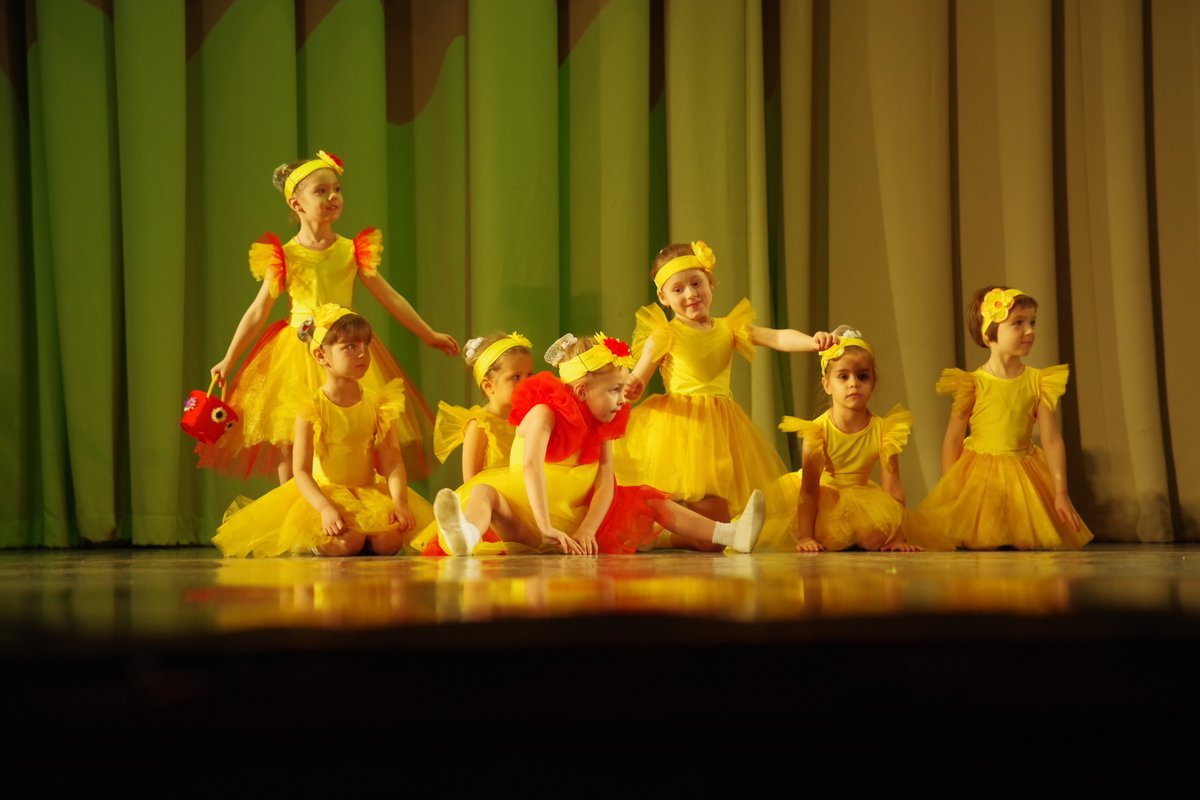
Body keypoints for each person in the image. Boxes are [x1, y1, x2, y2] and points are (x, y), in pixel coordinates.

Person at [199, 149, 458, 482]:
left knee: (357, 427)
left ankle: (356, 495)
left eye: (337, 189)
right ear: (297, 203)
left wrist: (428, 334)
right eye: (321, 191)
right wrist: (229, 358)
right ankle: (296, 504)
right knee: (291, 438)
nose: (333, 196)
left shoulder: (351, 251)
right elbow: (257, 311)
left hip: (345, 348)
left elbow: (390, 297)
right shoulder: (285, 256)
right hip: (298, 353)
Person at [427, 332, 765, 557]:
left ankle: (731, 534)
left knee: (650, 499)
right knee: (483, 491)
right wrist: (544, 525)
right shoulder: (544, 412)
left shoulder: (603, 421)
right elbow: (529, 466)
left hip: (577, 520)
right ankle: (466, 536)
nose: (622, 399)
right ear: (582, 391)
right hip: (530, 517)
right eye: (614, 390)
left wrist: (588, 529)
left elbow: (606, 483)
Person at [615, 239, 835, 546]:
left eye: (696, 283)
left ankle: (662, 536)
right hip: (680, 429)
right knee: (699, 524)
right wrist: (633, 386)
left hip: (719, 427)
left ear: (710, 282)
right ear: (663, 297)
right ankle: (655, 535)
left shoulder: (729, 328)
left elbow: (776, 338)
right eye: (678, 289)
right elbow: (638, 377)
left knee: (714, 537)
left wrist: (813, 342)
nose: (690, 294)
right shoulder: (665, 334)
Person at [213, 306, 433, 557]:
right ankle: (313, 538)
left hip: (368, 492)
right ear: (321, 356)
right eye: (350, 347)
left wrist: (399, 503)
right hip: (324, 494)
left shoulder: (378, 405)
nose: (363, 353)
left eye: (366, 345)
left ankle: (364, 535)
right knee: (348, 543)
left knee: (389, 543)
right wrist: (325, 508)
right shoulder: (312, 408)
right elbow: (301, 471)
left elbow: (392, 461)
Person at [914, 286, 1093, 550]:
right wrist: (950, 491)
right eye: (1018, 323)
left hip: (1023, 470)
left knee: (1025, 540)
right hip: (981, 474)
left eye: (1032, 322)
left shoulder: (1038, 381)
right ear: (990, 332)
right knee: (985, 537)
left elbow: (1052, 439)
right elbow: (953, 439)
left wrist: (1060, 492)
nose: (1029, 331)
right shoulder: (972, 383)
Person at [757, 328, 920, 552]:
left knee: (875, 538)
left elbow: (892, 487)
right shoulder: (818, 431)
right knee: (825, 532)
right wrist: (805, 537)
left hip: (860, 496)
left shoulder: (885, 430)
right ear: (827, 385)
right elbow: (809, 491)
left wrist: (897, 536)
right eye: (843, 377)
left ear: (873, 382)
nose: (853, 383)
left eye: (862, 376)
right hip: (822, 495)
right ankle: (820, 534)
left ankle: (856, 536)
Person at [434, 332, 533, 482]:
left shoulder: (528, 418)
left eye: (529, 375)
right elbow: (471, 480)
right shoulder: (479, 426)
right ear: (488, 386)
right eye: (515, 377)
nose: (526, 383)